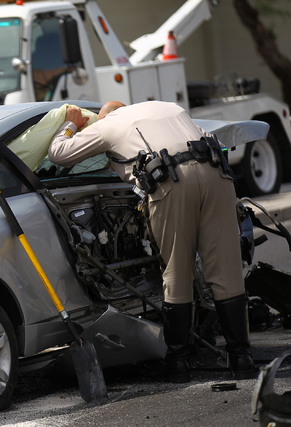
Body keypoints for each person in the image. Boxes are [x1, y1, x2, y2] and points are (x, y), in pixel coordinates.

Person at [48, 100, 256, 382]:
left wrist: (70, 123)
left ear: (102, 117)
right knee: (226, 270)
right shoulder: (170, 108)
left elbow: (58, 153)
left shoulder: (108, 124)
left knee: (177, 272)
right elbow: (213, 141)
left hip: (172, 183)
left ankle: (178, 363)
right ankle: (242, 359)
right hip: (217, 176)